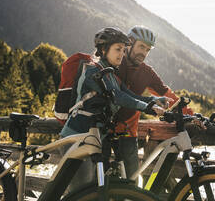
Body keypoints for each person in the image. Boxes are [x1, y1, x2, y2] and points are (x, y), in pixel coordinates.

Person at [59, 27, 168, 192]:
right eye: (118, 49)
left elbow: (130, 94)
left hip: (93, 139)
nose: (121, 54)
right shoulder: (94, 71)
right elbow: (118, 97)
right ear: (103, 50)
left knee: (90, 191)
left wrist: (154, 100)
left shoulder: (110, 74)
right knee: (80, 192)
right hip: (77, 137)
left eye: (123, 50)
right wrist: (149, 108)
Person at [112, 25, 193, 179]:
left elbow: (170, 97)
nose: (144, 52)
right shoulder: (114, 62)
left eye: (148, 49)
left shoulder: (146, 72)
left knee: (132, 180)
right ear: (129, 43)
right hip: (104, 130)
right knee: (98, 181)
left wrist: (192, 116)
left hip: (128, 132)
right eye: (141, 46)